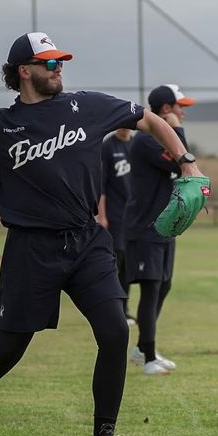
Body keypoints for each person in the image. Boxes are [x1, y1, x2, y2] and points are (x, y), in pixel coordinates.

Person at [0, 32, 205, 436]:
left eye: (60, 61)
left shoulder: (86, 106)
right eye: (49, 63)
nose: (59, 68)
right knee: (7, 350)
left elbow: (151, 121)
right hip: (31, 248)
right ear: (24, 71)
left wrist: (187, 163)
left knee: (114, 332)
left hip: (87, 241)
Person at [124, 84, 197, 376]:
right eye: (180, 107)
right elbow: (181, 158)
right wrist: (177, 129)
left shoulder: (155, 139)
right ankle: (149, 356)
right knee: (151, 288)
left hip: (164, 227)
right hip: (145, 227)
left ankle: (142, 349)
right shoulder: (145, 141)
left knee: (164, 285)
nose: (183, 112)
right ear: (166, 110)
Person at [95, 128, 135, 326]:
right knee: (116, 262)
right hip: (115, 215)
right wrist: (102, 216)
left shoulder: (136, 144)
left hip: (134, 216)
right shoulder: (108, 147)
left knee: (128, 262)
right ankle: (114, 309)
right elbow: (101, 185)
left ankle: (125, 309)